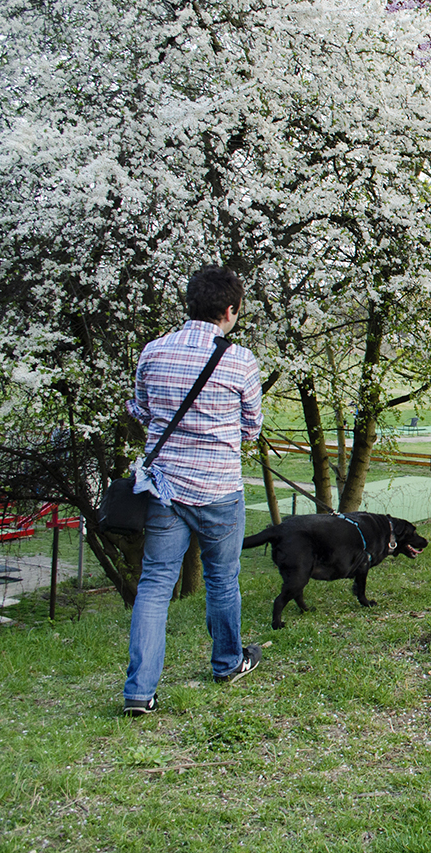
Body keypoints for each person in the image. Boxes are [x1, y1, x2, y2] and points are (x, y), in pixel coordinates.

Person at [122, 266, 264, 716]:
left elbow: (141, 410)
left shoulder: (153, 351)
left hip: (164, 487)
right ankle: (226, 663)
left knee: (155, 584)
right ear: (229, 310)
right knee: (223, 580)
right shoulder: (240, 361)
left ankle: (139, 692)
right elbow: (251, 429)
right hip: (219, 488)